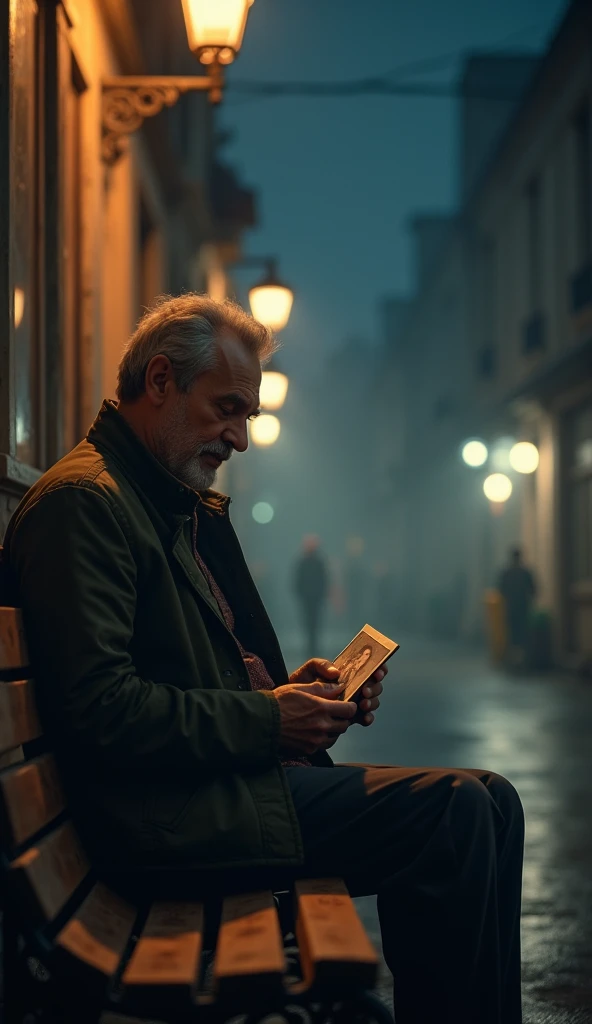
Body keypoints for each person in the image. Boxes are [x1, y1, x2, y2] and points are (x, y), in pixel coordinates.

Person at [3, 295, 524, 1024]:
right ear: (160, 382)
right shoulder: (87, 505)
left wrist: (291, 695)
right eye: (227, 409)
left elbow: (169, 676)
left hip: (195, 793)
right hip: (158, 823)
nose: (240, 437)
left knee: (494, 800)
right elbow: (102, 711)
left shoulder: (151, 500)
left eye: (245, 415)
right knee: (457, 812)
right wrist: (267, 721)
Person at [498, 547, 536, 665]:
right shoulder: (525, 572)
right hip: (523, 607)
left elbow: (501, 590)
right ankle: (522, 659)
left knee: (512, 633)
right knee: (522, 633)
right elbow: (533, 590)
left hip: (510, 608)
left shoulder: (506, 573)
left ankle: (512, 659)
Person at [293, 535, 329, 656]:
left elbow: (324, 580)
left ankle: (312, 647)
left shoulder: (313, 562)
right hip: (309, 599)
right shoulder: (310, 562)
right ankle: (311, 647)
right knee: (310, 623)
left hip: (313, 598)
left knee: (313, 623)